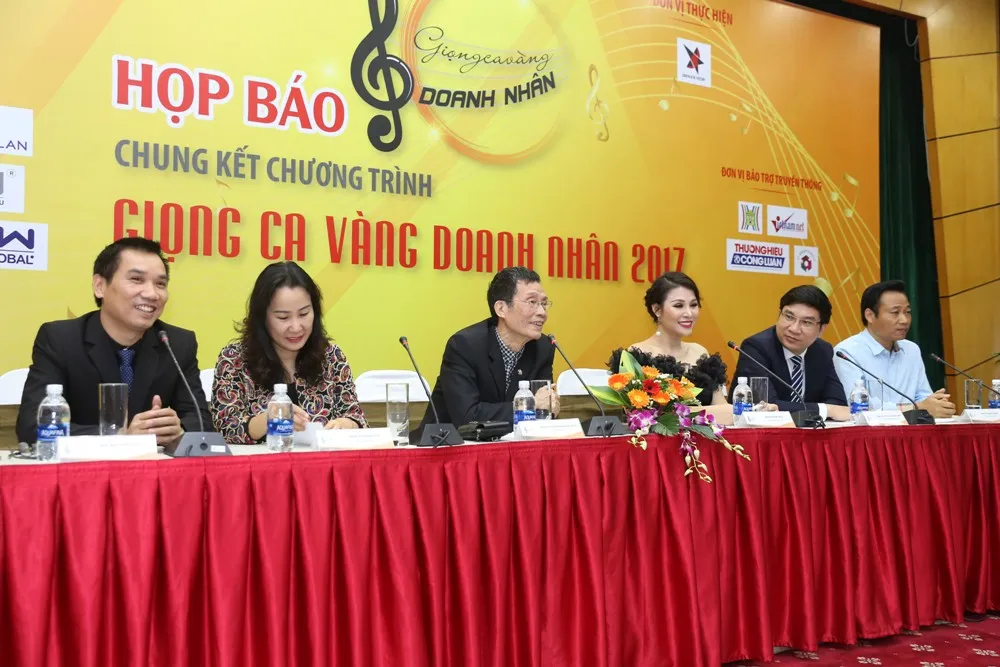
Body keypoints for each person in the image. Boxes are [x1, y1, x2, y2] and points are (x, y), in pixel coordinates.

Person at [16, 237, 209, 445]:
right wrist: (119, 436)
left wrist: (178, 430)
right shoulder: (61, 339)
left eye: (160, 284)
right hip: (86, 465)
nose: (152, 294)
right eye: (136, 279)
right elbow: (32, 426)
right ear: (100, 286)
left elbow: (202, 423)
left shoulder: (176, 344)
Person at [211, 261, 367, 444]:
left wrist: (347, 424)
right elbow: (225, 428)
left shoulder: (332, 357)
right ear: (262, 318)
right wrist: (269, 419)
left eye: (304, 314)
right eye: (283, 317)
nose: (296, 327)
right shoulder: (234, 360)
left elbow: (357, 417)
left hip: (322, 460)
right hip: (263, 461)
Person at [419, 266, 560, 431]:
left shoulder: (543, 347)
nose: (542, 312)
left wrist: (550, 405)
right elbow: (467, 417)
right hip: (446, 442)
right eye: (532, 302)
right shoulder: (465, 345)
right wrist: (528, 405)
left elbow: (544, 410)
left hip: (511, 441)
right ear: (501, 308)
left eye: (544, 303)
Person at [608, 272, 733, 422]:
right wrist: (701, 414)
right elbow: (643, 418)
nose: (689, 313)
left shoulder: (700, 352)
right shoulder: (636, 357)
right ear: (657, 309)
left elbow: (726, 412)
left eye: (693, 305)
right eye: (678, 306)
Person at [833, 280, 954, 417]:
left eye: (907, 312)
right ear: (870, 315)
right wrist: (917, 408)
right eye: (895, 312)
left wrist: (936, 404)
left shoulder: (911, 350)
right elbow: (858, 407)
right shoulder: (847, 353)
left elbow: (922, 395)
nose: (904, 320)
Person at [729, 285, 850, 421]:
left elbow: (839, 405)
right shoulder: (755, 348)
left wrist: (829, 409)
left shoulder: (822, 351)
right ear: (779, 314)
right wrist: (826, 410)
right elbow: (766, 407)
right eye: (789, 316)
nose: (794, 328)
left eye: (806, 322)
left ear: (821, 329)